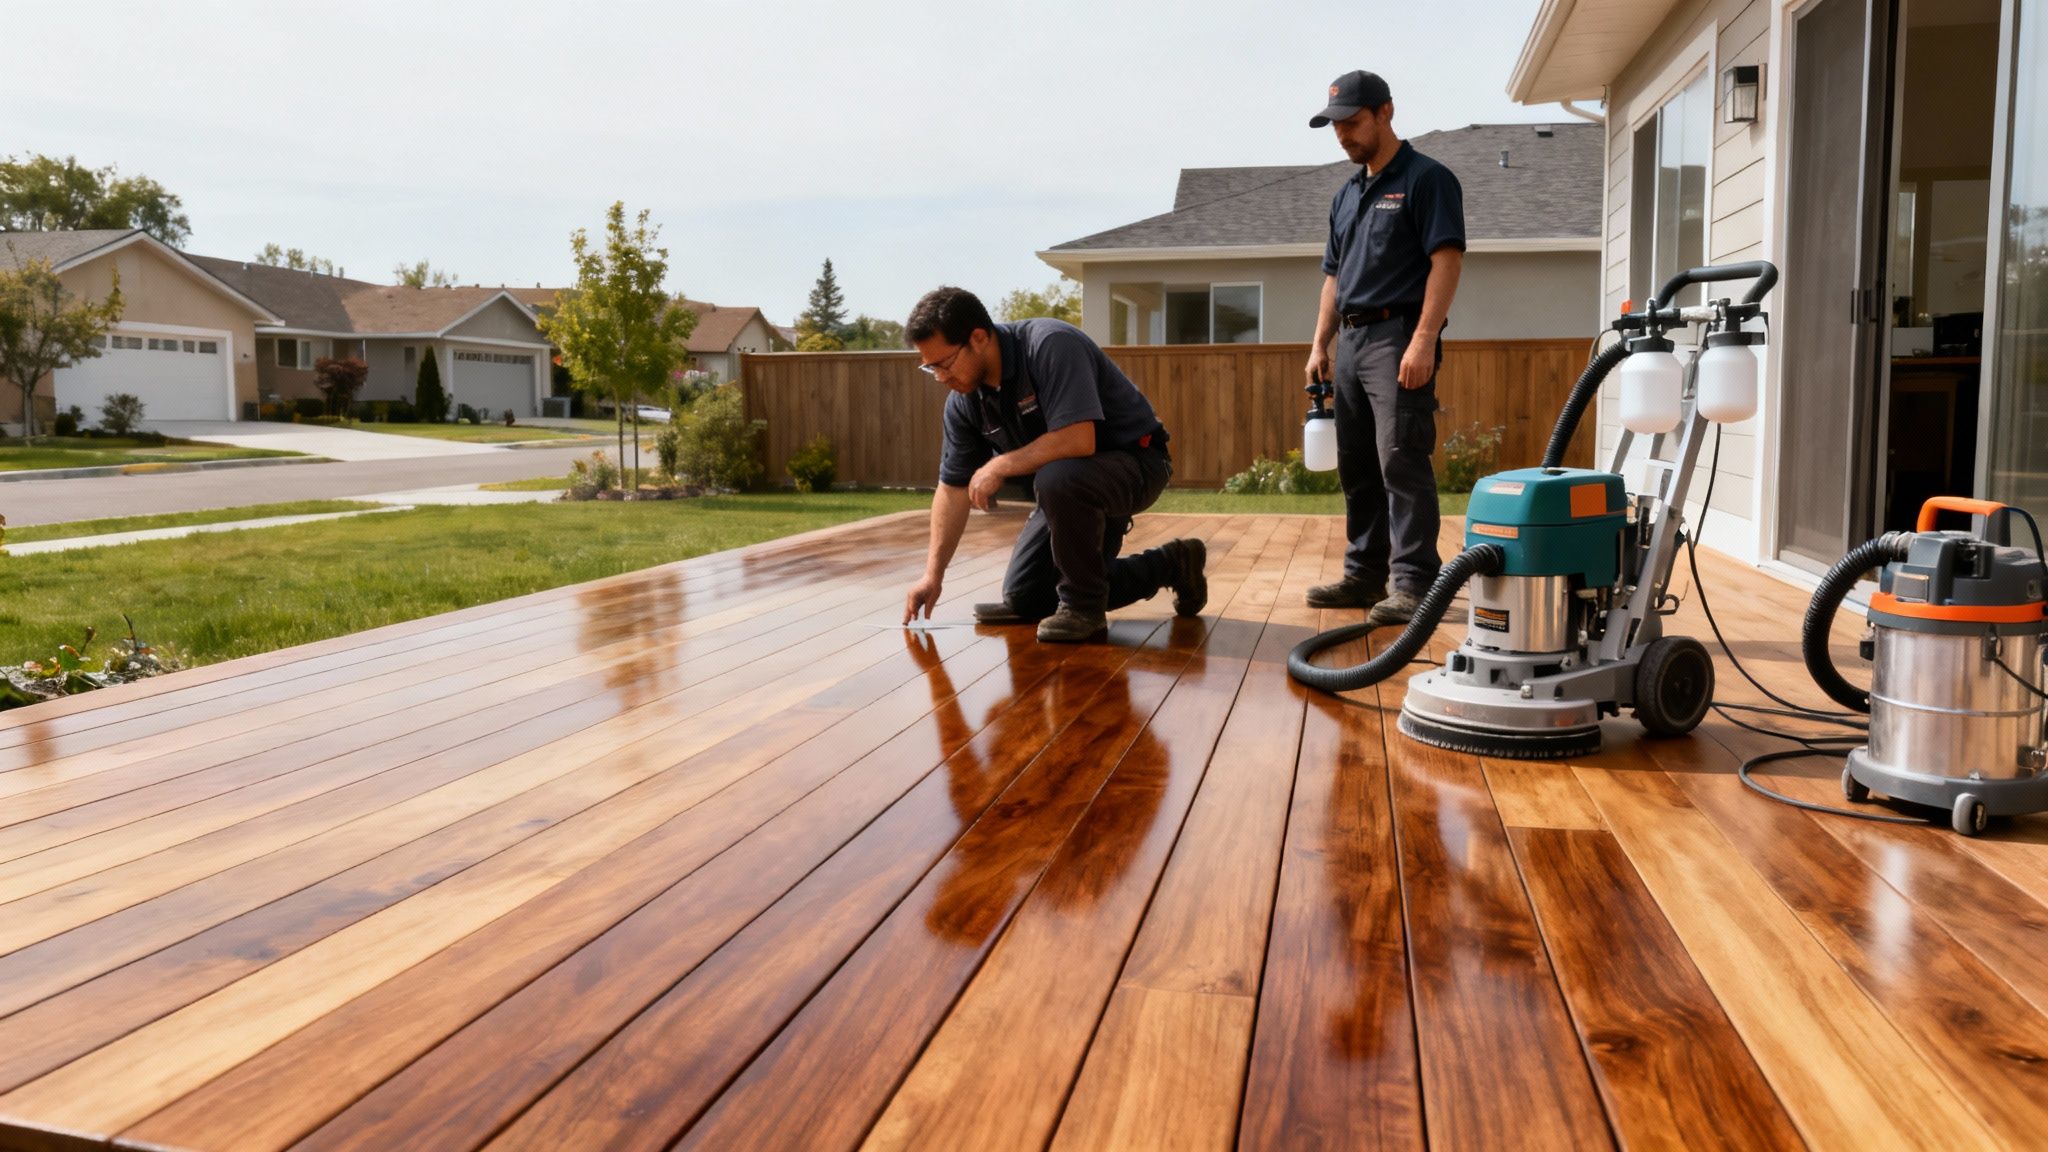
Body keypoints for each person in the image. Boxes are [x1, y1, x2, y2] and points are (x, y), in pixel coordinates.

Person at [899, 286, 1207, 643]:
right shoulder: (964, 402)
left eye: (944, 364)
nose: (940, 378)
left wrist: (998, 466)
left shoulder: (1050, 345)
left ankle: (1083, 608)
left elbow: (1079, 439)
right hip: (1069, 488)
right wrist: (931, 576)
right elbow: (951, 488)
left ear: (979, 337)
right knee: (1027, 597)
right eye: (930, 368)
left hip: (1138, 462)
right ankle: (1172, 563)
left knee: (1057, 477)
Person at [1303, 70, 1466, 624]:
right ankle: (1363, 576)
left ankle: (1415, 584)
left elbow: (1446, 260)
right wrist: (1319, 342)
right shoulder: (1345, 196)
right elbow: (1333, 276)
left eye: (1352, 123)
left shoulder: (1427, 180)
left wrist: (1423, 340)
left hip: (1397, 336)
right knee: (1357, 464)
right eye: (1335, 126)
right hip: (1349, 340)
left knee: (1401, 457)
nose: (1343, 134)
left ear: (1385, 113)